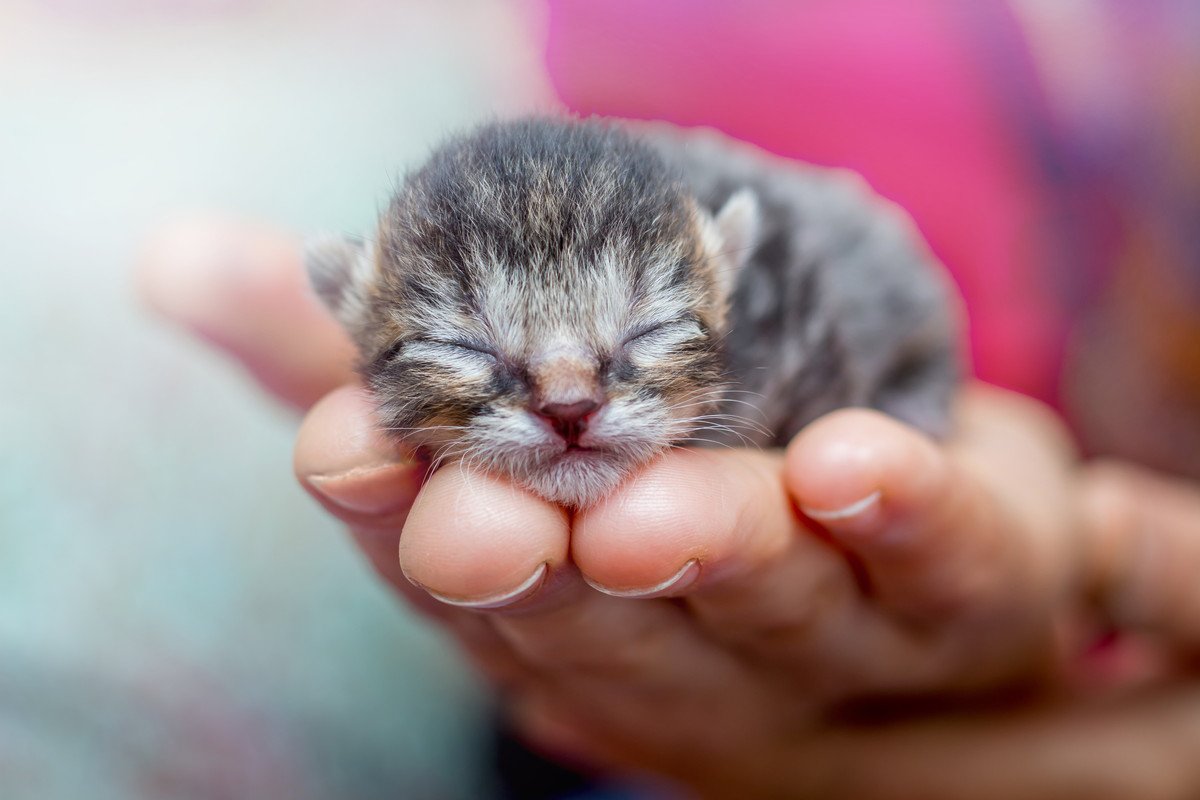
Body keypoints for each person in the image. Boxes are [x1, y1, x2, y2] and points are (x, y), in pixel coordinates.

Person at [140, 2, 1200, 796]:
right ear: (356, 309)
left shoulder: (819, 273)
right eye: (473, 349)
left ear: (725, 280)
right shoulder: (694, 46)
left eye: (634, 340)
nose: (565, 401)